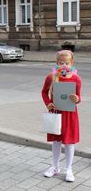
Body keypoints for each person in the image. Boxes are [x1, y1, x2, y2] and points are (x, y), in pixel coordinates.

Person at [41, 50, 81, 182]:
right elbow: (44, 92)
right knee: (56, 141)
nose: (64, 66)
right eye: (61, 63)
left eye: (67, 63)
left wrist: (76, 99)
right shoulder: (52, 76)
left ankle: (69, 169)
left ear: (72, 63)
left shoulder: (76, 78)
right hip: (56, 113)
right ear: (57, 63)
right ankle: (55, 166)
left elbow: (79, 97)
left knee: (69, 142)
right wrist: (48, 103)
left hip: (70, 115)